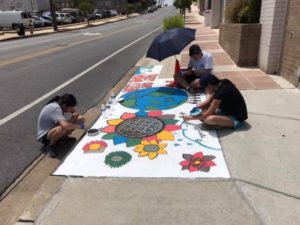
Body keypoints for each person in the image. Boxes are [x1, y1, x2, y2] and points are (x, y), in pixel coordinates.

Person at [182, 74, 248, 129]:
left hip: (237, 118)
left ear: (209, 86)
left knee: (209, 119)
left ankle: (221, 125)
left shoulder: (221, 93)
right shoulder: (221, 83)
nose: (205, 92)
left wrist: (190, 118)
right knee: (200, 108)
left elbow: (206, 115)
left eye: (204, 89)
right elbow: (208, 102)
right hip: (226, 111)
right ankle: (219, 123)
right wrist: (197, 109)